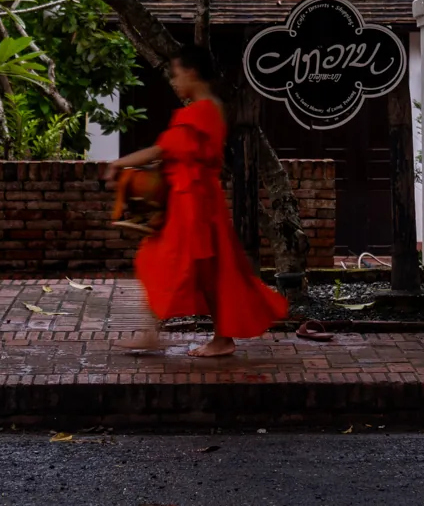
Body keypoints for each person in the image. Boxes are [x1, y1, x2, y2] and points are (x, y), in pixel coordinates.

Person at [102, 45, 288, 357]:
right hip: (194, 199)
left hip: (194, 203)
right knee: (204, 271)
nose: (173, 82)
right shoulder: (209, 109)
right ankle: (215, 337)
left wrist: (118, 164)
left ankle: (176, 335)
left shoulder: (200, 112)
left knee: (163, 262)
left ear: (191, 72)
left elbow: (161, 151)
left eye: (175, 74)